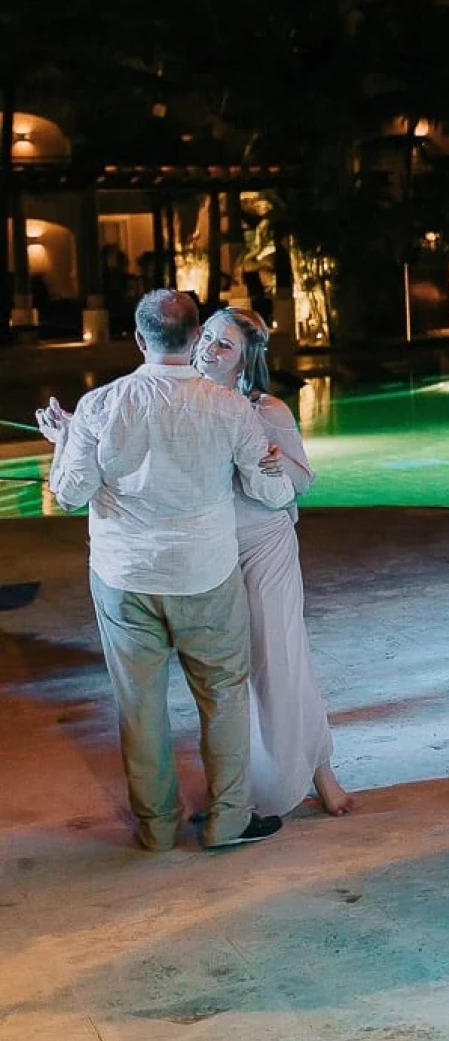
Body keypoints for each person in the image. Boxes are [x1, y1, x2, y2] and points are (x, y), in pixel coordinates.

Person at [36, 290, 292, 851]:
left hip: (124, 576)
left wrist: (64, 442)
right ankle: (228, 821)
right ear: (197, 337)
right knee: (223, 694)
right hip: (206, 573)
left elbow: (70, 494)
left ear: (137, 338)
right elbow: (271, 493)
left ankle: (155, 828)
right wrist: (275, 464)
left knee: (139, 702)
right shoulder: (229, 408)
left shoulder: (100, 405)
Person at [192, 308, 352, 820]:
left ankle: (317, 771)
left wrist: (282, 462)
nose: (209, 350)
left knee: (279, 660)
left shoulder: (267, 409)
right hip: (212, 549)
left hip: (265, 545)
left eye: (225, 346)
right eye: (208, 338)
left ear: (244, 362)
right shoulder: (184, 402)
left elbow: (304, 482)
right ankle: (264, 778)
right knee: (230, 671)